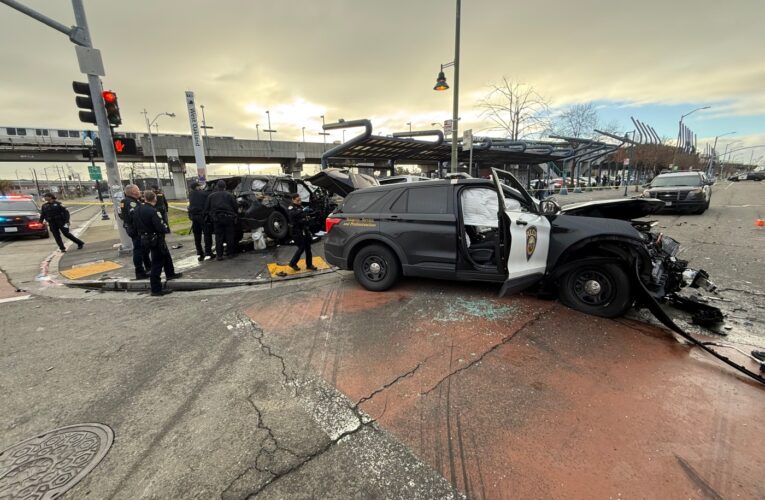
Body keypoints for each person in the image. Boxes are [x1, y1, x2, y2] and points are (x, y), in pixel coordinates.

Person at [133, 190, 182, 296]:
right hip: (156, 239)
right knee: (157, 263)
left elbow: (134, 224)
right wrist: (165, 228)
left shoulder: (137, 209)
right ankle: (156, 289)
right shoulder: (153, 211)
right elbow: (160, 226)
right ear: (154, 198)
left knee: (164, 256)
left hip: (144, 238)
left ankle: (170, 273)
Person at [118, 184, 151, 279]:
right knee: (139, 250)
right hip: (136, 229)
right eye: (138, 190)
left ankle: (148, 266)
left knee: (144, 249)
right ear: (133, 192)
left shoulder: (124, 202)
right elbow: (137, 216)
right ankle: (140, 272)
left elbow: (121, 215)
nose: (140, 191)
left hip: (131, 228)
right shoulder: (131, 203)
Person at [204, 180, 239, 260]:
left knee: (218, 237)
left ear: (217, 187)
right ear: (225, 187)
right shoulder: (229, 195)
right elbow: (235, 206)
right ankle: (230, 254)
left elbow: (207, 208)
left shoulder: (211, 196)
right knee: (229, 236)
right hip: (228, 218)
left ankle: (219, 255)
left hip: (216, 219)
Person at [287, 193, 317, 272]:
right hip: (296, 231)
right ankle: (293, 263)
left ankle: (309, 264)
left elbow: (304, 216)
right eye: (298, 200)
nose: (300, 201)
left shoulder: (300, 206)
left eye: (300, 200)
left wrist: (309, 216)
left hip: (304, 229)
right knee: (301, 247)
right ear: (293, 200)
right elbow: (292, 214)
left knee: (308, 247)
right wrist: (302, 211)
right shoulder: (291, 207)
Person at [187, 181, 214, 261]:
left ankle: (200, 252)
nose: (200, 187)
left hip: (194, 218)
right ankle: (208, 252)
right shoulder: (202, 193)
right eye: (199, 186)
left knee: (197, 236)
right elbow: (209, 194)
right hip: (202, 217)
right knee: (207, 234)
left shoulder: (190, 194)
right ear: (197, 187)